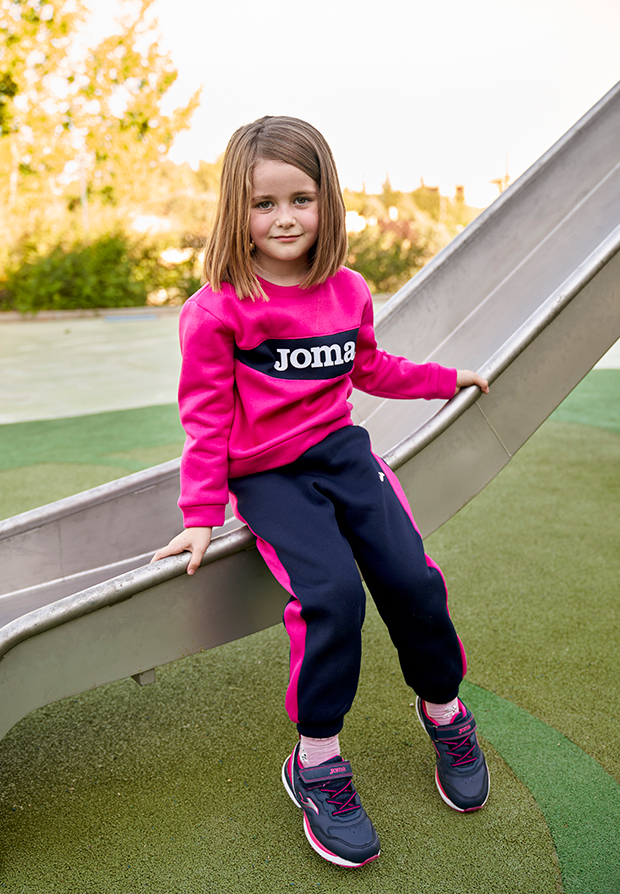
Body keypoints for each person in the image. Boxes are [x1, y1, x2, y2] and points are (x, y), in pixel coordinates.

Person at [152, 115, 491, 869]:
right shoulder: (216, 309)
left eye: (299, 199)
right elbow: (205, 419)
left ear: (326, 202)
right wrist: (201, 514)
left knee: (411, 579)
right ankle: (315, 762)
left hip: (342, 456)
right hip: (268, 476)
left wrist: (444, 381)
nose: (283, 218)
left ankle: (445, 708)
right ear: (234, 209)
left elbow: (370, 368)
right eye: (263, 202)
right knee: (334, 596)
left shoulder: (347, 289)